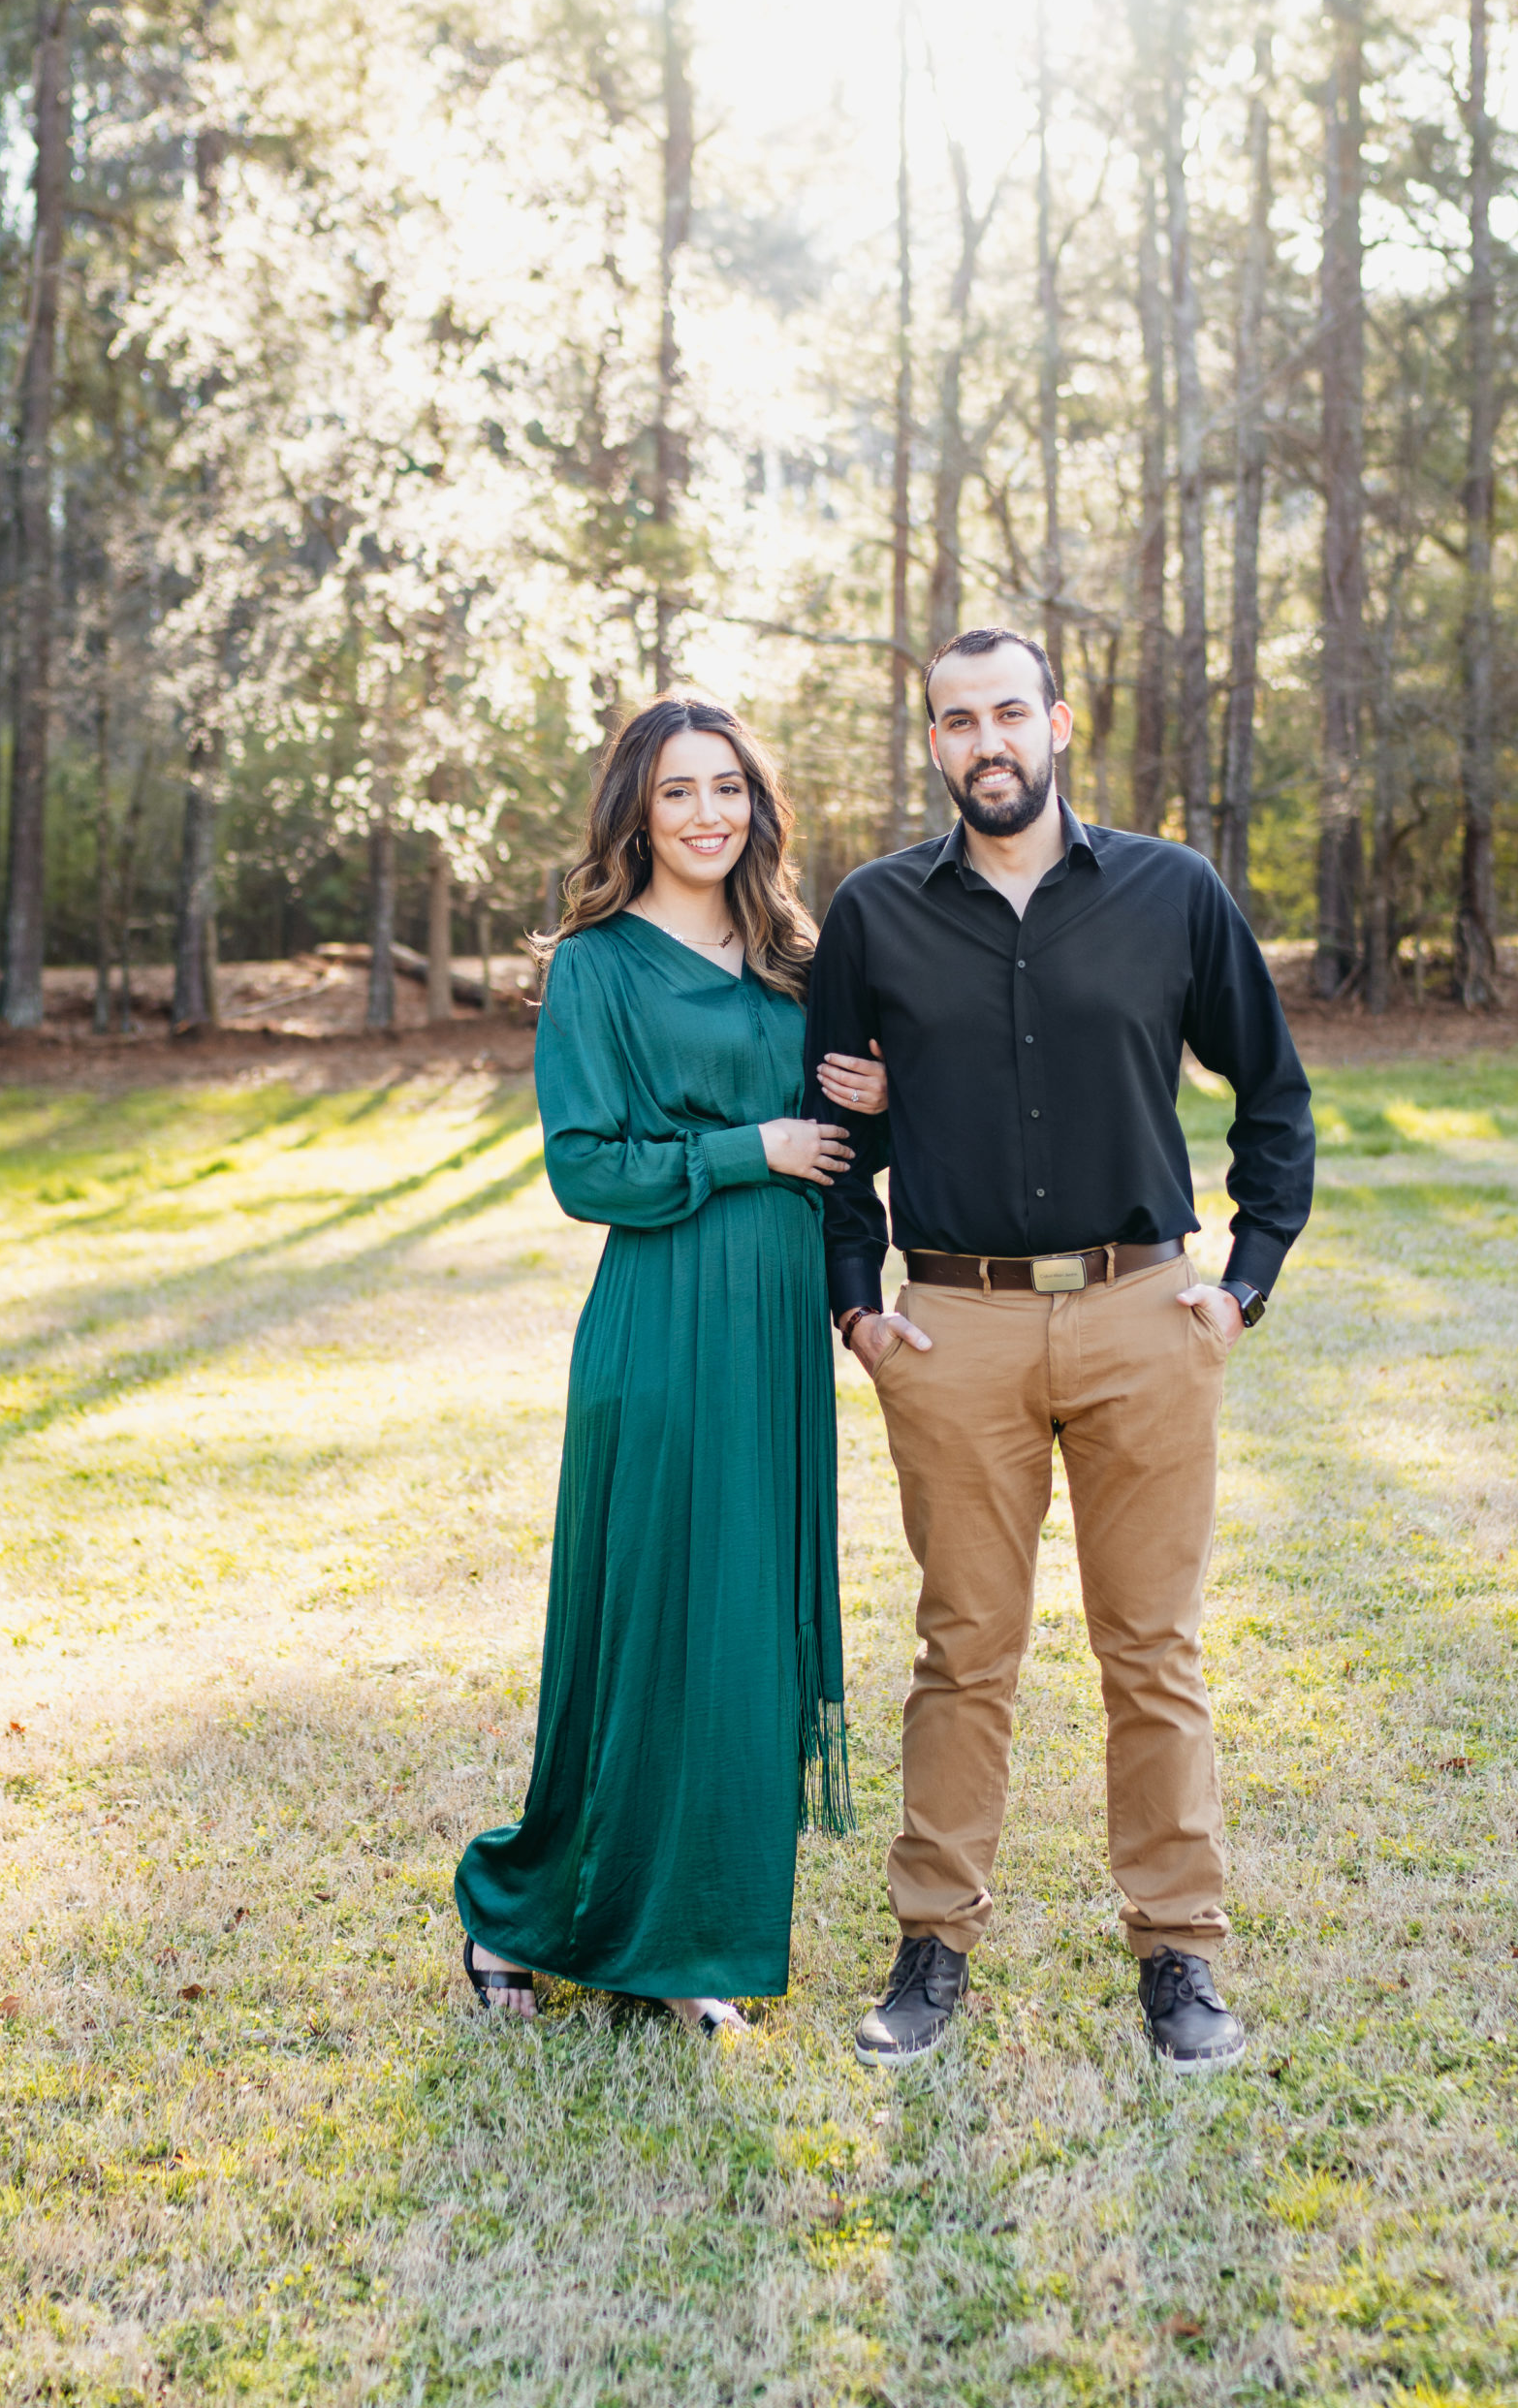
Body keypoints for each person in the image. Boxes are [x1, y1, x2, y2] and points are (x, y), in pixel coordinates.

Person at [806, 626, 1314, 2072]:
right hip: (952, 1321)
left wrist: (1245, 1282)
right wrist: (859, 1301)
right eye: (958, 720)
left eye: (1010, 712)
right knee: (963, 1650)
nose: (988, 742)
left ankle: (1180, 1955)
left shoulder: (1172, 892)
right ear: (933, 745)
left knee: (1151, 1649)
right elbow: (838, 1131)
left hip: (1145, 1313)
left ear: (1061, 723)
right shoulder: (875, 914)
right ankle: (930, 1944)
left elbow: (1272, 1095)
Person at [456, 693, 886, 2036]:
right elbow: (585, 1168)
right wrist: (737, 1151)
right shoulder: (597, 965)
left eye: (731, 789)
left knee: (745, 1631)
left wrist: (868, 1105)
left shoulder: (800, 959)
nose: (711, 814)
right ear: (637, 810)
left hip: (772, 1333)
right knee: (646, 1627)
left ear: (759, 808)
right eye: (682, 791)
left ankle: (693, 1934)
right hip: (660, 1324)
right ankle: (518, 1914)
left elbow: (846, 1146)